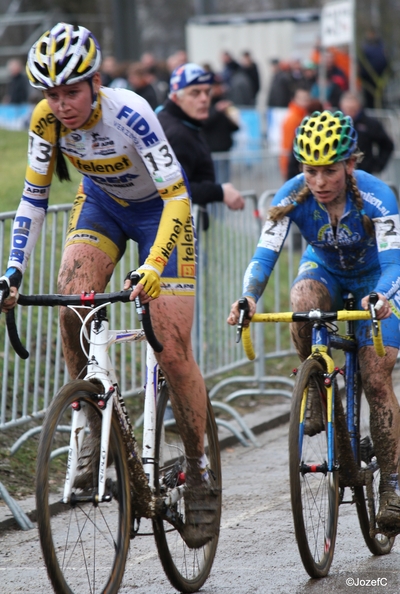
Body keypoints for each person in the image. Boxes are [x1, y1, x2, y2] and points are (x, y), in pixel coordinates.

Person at [1, 23, 219, 549]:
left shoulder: (132, 114)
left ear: (96, 82)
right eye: (51, 94)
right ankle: (89, 430)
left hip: (161, 214)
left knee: (170, 346)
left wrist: (154, 264)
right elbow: (32, 199)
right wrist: (11, 271)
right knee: (70, 302)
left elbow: (178, 198)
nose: (61, 104)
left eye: (71, 91)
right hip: (101, 204)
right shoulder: (46, 121)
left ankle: (197, 467)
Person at [227, 110, 400, 536]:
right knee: (301, 297)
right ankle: (314, 383)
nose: (319, 182)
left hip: (376, 281)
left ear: (351, 164)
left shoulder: (380, 198)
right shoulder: (292, 195)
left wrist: (382, 296)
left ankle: (393, 487)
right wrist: (249, 296)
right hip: (324, 271)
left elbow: (395, 262)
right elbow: (265, 255)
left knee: (377, 377)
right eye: (310, 171)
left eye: (329, 171)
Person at [156, 62, 245, 227]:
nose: (204, 99)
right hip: (175, 230)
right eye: (195, 93)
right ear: (176, 98)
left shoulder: (184, 122)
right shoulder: (177, 132)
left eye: (207, 91)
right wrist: (220, 192)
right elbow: (176, 188)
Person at [340, 91, 394, 175]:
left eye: (352, 109)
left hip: (364, 171)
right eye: (347, 109)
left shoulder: (370, 123)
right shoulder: (337, 123)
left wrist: (377, 166)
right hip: (341, 172)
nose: (350, 112)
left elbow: (387, 145)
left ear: (358, 106)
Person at [202, 73, 240, 183]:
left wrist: (233, 120)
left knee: (225, 180)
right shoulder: (206, 104)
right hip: (213, 150)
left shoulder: (225, 101)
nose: (219, 88)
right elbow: (205, 123)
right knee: (216, 180)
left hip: (225, 148)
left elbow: (234, 127)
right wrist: (217, 110)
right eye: (216, 86)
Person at [279, 86, 310, 180]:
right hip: (292, 164)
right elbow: (288, 145)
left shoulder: (301, 115)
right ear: (294, 99)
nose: (305, 102)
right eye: (302, 98)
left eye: (307, 98)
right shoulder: (293, 118)